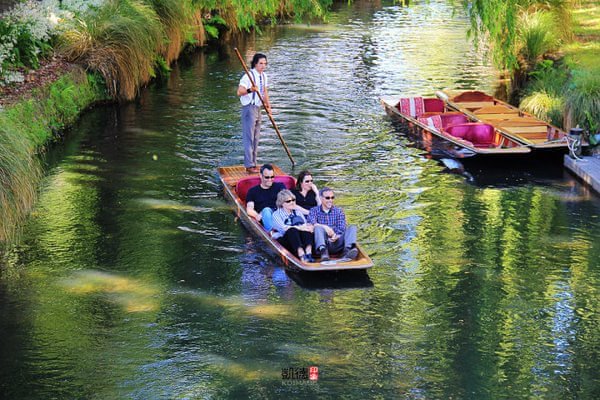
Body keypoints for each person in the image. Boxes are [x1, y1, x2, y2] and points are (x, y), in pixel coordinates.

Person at [237, 52, 271, 174]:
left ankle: (254, 163)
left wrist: (268, 106)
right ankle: (249, 165)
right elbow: (239, 92)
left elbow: (264, 91)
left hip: (258, 108)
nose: (263, 66)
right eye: (261, 63)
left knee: (256, 137)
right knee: (249, 137)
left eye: (265, 64)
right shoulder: (248, 76)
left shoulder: (264, 76)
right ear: (255, 63)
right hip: (249, 108)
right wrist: (250, 89)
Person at [307, 187, 358, 261]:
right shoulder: (314, 210)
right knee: (318, 228)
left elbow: (342, 227)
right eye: (327, 198)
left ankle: (347, 251)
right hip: (323, 242)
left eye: (332, 197)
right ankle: (323, 253)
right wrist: (325, 228)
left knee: (352, 227)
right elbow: (312, 223)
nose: (330, 200)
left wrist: (336, 235)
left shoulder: (339, 211)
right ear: (321, 198)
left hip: (337, 242)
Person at [272, 190, 315, 263]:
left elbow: (305, 225)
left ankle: (309, 253)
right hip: (286, 239)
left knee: (306, 230)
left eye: (293, 200)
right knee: (292, 230)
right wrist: (300, 228)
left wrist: (306, 228)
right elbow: (284, 228)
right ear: (282, 203)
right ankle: (301, 255)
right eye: (288, 201)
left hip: (300, 239)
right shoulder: (276, 214)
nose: (292, 202)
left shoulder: (298, 212)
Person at [246, 164, 284, 231]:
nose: (270, 180)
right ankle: (272, 233)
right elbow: (249, 209)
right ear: (260, 176)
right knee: (266, 211)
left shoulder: (280, 186)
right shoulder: (252, 191)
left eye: (272, 177)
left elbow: (287, 200)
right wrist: (257, 215)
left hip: (279, 213)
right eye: (267, 177)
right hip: (265, 216)